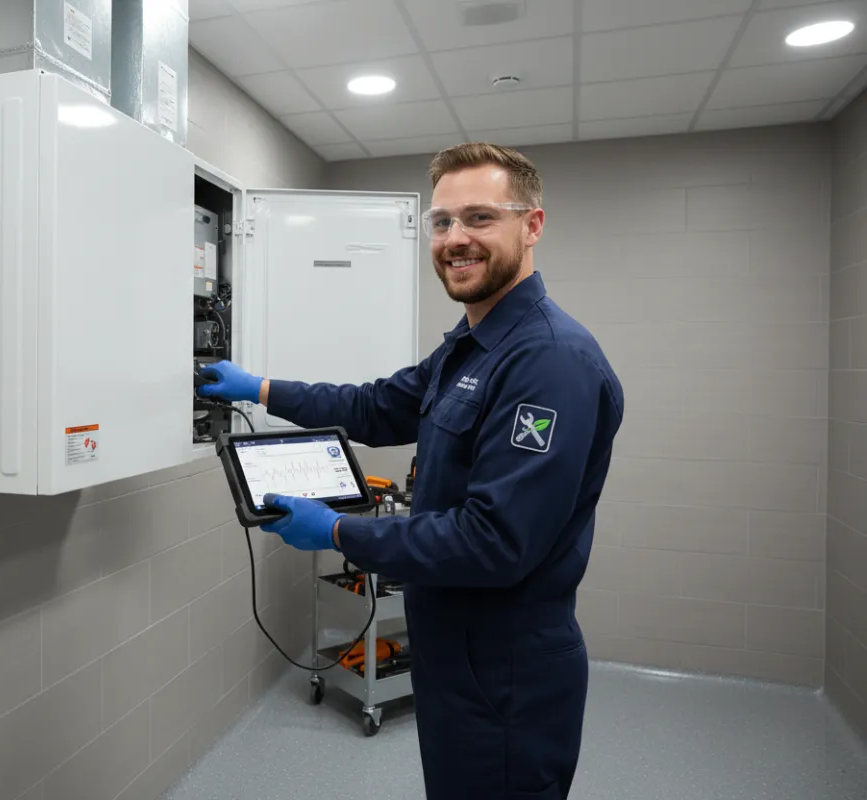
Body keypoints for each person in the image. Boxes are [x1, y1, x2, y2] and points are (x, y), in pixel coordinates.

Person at [198, 142, 623, 800]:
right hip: (456, 654)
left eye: (480, 218)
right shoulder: (472, 345)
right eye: (443, 221)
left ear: (531, 225)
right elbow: (372, 406)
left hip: (506, 672)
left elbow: (494, 542)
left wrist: (340, 534)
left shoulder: (550, 361)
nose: (456, 239)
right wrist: (259, 387)